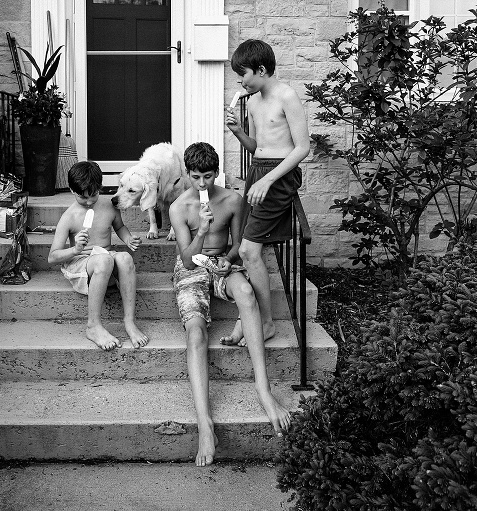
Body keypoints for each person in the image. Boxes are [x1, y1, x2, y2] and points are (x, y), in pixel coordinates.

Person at [169, 142, 290, 467]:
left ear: (217, 172)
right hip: (191, 268)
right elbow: (187, 260)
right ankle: (205, 423)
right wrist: (202, 230)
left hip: (221, 264)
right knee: (196, 333)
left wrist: (228, 260)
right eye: (196, 177)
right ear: (187, 174)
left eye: (208, 176)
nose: (203, 183)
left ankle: (264, 391)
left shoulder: (233, 200)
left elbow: (238, 245)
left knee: (247, 294)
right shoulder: (179, 207)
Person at [223, 39, 310, 347]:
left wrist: (268, 181)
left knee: (248, 251)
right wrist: (238, 132)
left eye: (243, 74)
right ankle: (256, 319)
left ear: (261, 69)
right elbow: (256, 147)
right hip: (259, 172)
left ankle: (266, 322)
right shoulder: (253, 102)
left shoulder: (287, 95)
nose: (240, 81)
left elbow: (302, 148)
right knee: (249, 250)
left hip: (278, 176)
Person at [48, 161, 149, 350]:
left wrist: (128, 239)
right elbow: (52, 257)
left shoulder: (109, 206)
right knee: (104, 260)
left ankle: (129, 321)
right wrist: (75, 249)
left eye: (93, 195)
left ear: (100, 188)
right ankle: (93, 325)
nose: (89, 202)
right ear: (71, 190)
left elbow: (120, 227)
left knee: (125, 258)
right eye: (82, 197)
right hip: (82, 264)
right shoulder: (69, 217)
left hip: (106, 258)